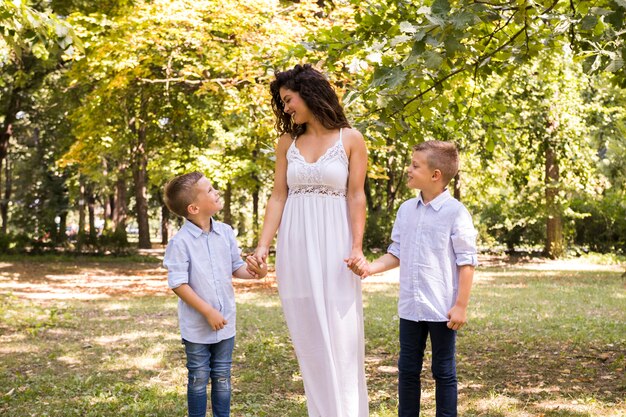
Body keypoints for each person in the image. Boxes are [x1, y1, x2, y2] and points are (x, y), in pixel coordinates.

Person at [246, 64, 369, 417]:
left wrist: (357, 247)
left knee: (342, 335)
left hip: (336, 248)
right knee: (309, 336)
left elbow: (356, 197)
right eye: (282, 103)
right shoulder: (287, 143)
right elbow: (278, 197)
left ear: (309, 93)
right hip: (296, 247)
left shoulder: (351, 139)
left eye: (288, 99)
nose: (286, 108)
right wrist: (262, 246)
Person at [347, 141, 478, 417]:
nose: (408, 169)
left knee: (443, 371)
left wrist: (461, 305)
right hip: (410, 308)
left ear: (435, 175)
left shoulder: (456, 213)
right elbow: (396, 253)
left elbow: (467, 262)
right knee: (407, 370)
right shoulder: (406, 210)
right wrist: (370, 268)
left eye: (415, 165)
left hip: (442, 309)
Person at [162, 172, 267, 417]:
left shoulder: (226, 232)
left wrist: (257, 273)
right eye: (209, 190)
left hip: (225, 323)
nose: (216, 192)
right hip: (197, 327)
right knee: (198, 378)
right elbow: (178, 284)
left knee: (222, 377)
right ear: (194, 207)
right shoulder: (180, 243)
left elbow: (236, 267)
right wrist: (208, 311)